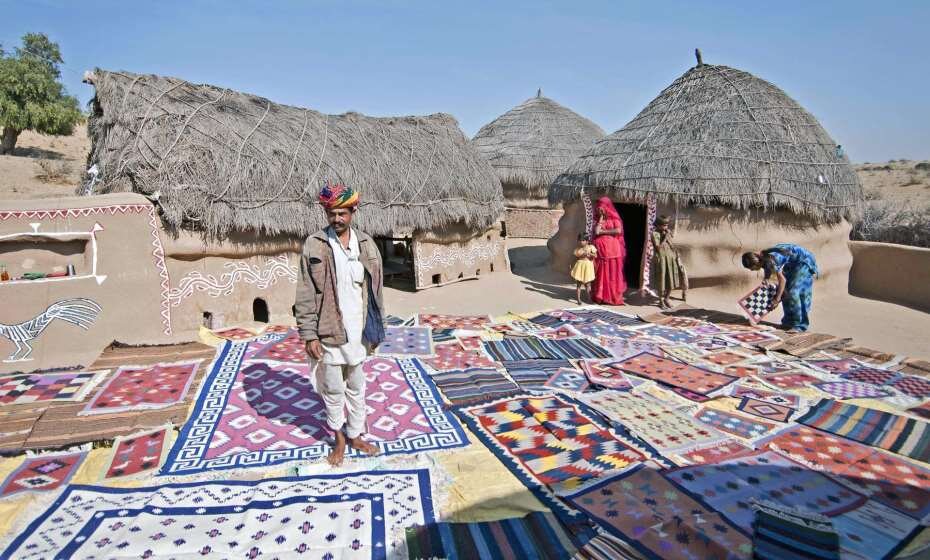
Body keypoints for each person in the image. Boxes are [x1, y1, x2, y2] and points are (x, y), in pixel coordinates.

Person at [295, 182, 386, 466]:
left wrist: (377, 329)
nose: (337, 219)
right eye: (332, 213)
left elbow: (377, 290)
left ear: (353, 211)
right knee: (333, 389)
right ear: (326, 212)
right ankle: (339, 439)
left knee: (357, 386)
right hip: (329, 331)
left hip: (359, 333)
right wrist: (309, 335)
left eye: (342, 214)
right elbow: (305, 292)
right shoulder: (315, 245)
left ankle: (356, 433)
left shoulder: (367, 245)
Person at [741, 244, 819, 333]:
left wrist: (776, 300)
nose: (751, 270)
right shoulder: (763, 257)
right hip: (792, 264)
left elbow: (782, 280)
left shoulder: (771, 260)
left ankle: (799, 326)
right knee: (784, 293)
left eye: (752, 268)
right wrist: (766, 279)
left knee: (793, 292)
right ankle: (789, 322)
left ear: (757, 262)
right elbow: (768, 269)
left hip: (804, 262)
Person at [591, 197, 627, 305]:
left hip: (613, 252)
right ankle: (601, 297)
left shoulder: (615, 219)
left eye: (602, 209)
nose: (600, 210)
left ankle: (612, 297)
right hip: (601, 253)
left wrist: (604, 231)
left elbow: (618, 230)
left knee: (612, 274)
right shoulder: (598, 220)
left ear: (607, 208)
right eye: (598, 209)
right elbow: (597, 232)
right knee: (601, 274)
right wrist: (601, 219)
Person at [651, 215, 687, 309]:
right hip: (661, 260)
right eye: (663, 225)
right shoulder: (655, 234)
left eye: (666, 225)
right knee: (661, 280)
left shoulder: (667, 233)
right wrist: (664, 238)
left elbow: (672, 246)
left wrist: (676, 254)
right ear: (658, 225)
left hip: (670, 259)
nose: (665, 227)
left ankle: (667, 298)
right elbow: (658, 248)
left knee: (671, 280)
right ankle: (660, 301)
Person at [571, 234, 597, 305]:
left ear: (587, 241)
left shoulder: (591, 247)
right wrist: (572, 266)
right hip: (580, 266)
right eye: (579, 240)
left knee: (588, 284)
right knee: (579, 284)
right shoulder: (577, 249)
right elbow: (575, 258)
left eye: (583, 240)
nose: (581, 242)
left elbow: (595, 255)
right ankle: (579, 300)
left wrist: (590, 254)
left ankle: (589, 299)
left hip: (588, 267)